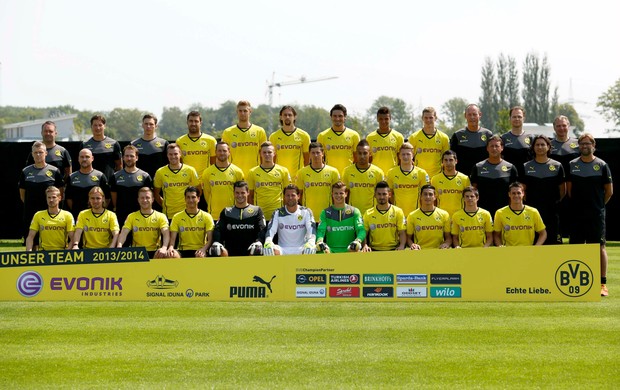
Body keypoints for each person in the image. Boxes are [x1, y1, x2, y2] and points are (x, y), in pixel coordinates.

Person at [566, 133, 613, 296]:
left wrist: (597, 206)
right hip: (577, 214)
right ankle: (577, 281)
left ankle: (602, 284)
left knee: (599, 248)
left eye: (588, 144)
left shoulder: (602, 165)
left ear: (593, 146)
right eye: (582, 144)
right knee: (576, 247)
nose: (585, 146)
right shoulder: (572, 164)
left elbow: (609, 192)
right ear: (578, 146)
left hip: (596, 214)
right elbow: (569, 191)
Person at [521, 135, 565, 245]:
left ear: (548, 147)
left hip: (552, 213)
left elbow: (563, 191)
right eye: (537, 145)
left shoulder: (557, 166)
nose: (540, 147)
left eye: (542, 144)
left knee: (553, 244)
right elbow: (523, 191)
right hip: (532, 213)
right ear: (533, 147)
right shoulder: (526, 166)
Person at [19, 141, 65, 243]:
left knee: (51, 240)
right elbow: (22, 194)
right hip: (30, 211)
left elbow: (60, 192)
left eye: (40, 152)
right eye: (35, 153)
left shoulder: (54, 171)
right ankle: (31, 257)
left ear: (46, 153)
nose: (38, 155)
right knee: (32, 239)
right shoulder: (25, 171)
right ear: (32, 154)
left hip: (49, 211)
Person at [210, 181, 266, 257]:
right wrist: (216, 242)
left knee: (258, 248)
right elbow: (218, 230)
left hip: (251, 252)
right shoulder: (226, 211)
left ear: (248, 192)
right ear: (233, 193)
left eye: (243, 193)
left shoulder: (257, 210)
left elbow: (262, 229)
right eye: (237, 193)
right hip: (230, 253)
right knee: (216, 248)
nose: (240, 195)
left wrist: (259, 241)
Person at [470, 135, 518, 216]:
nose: (494, 148)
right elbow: (473, 191)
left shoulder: (511, 168)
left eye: (497, 146)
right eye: (491, 146)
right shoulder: (478, 167)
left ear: (502, 148)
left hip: (504, 212)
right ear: (487, 148)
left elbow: (514, 192)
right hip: (483, 213)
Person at [116, 187, 170, 259]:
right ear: (138, 200)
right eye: (142, 198)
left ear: (153, 199)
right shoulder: (132, 216)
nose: (144, 200)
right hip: (137, 253)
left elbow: (166, 233)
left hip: (155, 253)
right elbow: (124, 233)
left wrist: (164, 247)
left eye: (147, 197)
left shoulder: (161, 216)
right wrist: (119, 245)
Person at [263, 184, 316, 255]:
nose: (290, 198)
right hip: (282, 249)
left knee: (311, 249)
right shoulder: (278, 212)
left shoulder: (306, 211)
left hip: (301, 248)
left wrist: (311, 242)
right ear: (284, 197)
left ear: (298, 196)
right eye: (287, 195)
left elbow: (311, 230)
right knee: (269, 250)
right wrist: (268, 241)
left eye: (293, 195)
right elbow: (271, 231)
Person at [110, 145, 153, 230]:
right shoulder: (115, 176)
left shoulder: (145, 176)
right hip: (121, 216)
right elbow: (114, 197)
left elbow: (149, 198)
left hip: (140, 216)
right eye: (126, 156)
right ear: (123, 157)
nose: (129, 158)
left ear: (136, 158)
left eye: (132, 156)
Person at [154, 143, 200, 221]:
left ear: (180, 154)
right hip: (169, 215)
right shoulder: (160, 172)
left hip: (187, 214)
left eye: (175, 154)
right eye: (170, 154)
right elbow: (156, 194)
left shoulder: (190, 170)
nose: (173, 156)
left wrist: (191, 204)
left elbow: (198, 191)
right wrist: (165, 205)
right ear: (167, 155)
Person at [295, 142, 340, 221]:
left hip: (327, 217)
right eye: (313, 153)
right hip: (308, 218)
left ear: (323, 153)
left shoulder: (333, 172)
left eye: (318, 153)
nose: (315, 155)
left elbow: (337, 195)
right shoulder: (302, 172)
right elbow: (299, 195)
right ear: (309, 154)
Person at [315, 182, 366, 253]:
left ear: (346, 194)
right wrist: (319, 241)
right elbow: (321, 231)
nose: (338, 195)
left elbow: (361, 230)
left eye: (341, 193)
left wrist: (358, 240)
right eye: (336, 193)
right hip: (330, 250)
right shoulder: (325, 213)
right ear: (332, 194)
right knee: (318, 252)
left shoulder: (354, 211)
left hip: (350, 249)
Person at [247, 141, 291, 222]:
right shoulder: (252, 172)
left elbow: (287, 195)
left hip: (278, 215)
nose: (267, 154)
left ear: (274, 153)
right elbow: (250, 196)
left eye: (269, 152)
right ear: (260, 154)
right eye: (264, 152)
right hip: (259, 216)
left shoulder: (283, 171)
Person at [221, 100, 267, 175]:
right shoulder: (228, 132)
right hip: (234, 174)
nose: (242, 113)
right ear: (237, 112)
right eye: (240, 111)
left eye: (245, 111)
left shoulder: (260, 131)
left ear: (250, 112)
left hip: (255, 174)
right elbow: (223, 155)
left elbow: (264, 155)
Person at [167, 186, 215, 258]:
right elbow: (172, 241)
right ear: (185, 199)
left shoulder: (206, 216)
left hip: (200, 249)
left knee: (200, 256)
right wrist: (170, 248)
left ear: (198, 199)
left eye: (193, 197)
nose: (190, 200)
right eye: (188, 197)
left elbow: (210, 239)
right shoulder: (177, 217)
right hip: (183, 250)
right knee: (171, 255)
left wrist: (204, 249)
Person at [493, 182, 546, 247]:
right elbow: (496, 235)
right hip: (508, 252)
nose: (516, 196)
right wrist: (500, 245)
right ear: (509, 194)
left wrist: (536, 246)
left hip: (528, 251)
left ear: (523, 194)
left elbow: (543, 233)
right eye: (513, 193)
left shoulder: (533, 212)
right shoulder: (500, 213)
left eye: (519, 193)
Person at [200, 141, 244, 218]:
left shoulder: (238, 172)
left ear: (229, 152)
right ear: (215, 152)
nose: (222, 153)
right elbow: (207, 194)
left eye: (224, 151)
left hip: (233, 215)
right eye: (219, 151)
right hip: (214, 215)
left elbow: (241, 194)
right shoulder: (207, 172)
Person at [65, 148, 110, 221]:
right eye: (82, 157)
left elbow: (107, 198)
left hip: (96, 217)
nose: (84, 159)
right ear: (78, 159)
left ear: (92, 158)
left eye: (87, 157)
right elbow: (68, 199)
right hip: (77, 217)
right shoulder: (72, 177)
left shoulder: (100, 176)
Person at [342, 139, 385, 215]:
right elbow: (345, 195)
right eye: (359, 153)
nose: (362, 156)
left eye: (365, 153)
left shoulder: (378, 172)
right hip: (353, 214)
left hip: (372, 214)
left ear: (370, 154)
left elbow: (382, 196)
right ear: (356, 154)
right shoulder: (347, 171)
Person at [25, 186, 75, 251]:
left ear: (59, 198)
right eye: (49, 197)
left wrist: (67, 251)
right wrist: (29, 251)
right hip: (44, 252)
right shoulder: (38, 215)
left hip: (61, 251)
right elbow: (30, 237)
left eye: (54, 197)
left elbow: (73, 237)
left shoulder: (67, 215)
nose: (51, 200)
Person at [386, 142, 430, 216]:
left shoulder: (421, 173)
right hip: (398, 215)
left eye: (408, 154)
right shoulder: (391, 173)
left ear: (412, 155)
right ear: (399, 156)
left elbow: (426, 195)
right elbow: (390, 194)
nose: (405, 157)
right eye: (403, 154)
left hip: (416, 214)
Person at [361, 181, 407, 251]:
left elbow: (402, 232)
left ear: (389, 194)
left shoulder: (398, 211)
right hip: (374, 249)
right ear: (375, 195)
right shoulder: (368, 213)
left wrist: (402, 245)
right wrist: (365, 245)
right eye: (379, 194)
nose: (381, 197)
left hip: (393, 249)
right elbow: (364, 233)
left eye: (384, 194)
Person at [449, 104, 493, 175]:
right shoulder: (457, 135)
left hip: (484, 175)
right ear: (465, 116)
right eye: (469, 114)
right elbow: (451, 158)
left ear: (480, 115)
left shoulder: (488, 134)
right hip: (462, 177)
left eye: (474, 114)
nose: (472, 117)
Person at [317, 104, 361, 175]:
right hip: (329, 175)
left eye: (340, 116)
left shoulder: (354, 135)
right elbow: (319, 159)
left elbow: (357, 158)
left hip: (348, 175)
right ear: (331, 117)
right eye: (335, 116)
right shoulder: (322, 136)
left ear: (345, 117)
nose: (337, 119)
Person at [269, 105, 310, 178]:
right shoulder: (273, 137)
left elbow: (307, 160)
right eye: (285, 115)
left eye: (290, 115)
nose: (287, 117)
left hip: (297, 179)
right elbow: (272, 160)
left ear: (295, 117)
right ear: (281, 117)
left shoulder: (304, 136)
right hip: (279, 178)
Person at [408, 107, 450, 177]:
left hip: (437, 176)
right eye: (426, 118)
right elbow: (408, 158)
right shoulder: (414, 137)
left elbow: (446, 159)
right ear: (422, 118)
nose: (428, 120)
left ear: (435, 118)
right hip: (419, 176)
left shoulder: (444, 138)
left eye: (431, 118)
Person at [406, 184, 451, 250]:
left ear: (435, 197)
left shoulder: (444, 214)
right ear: (420, 196)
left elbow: (448, 238)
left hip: (439, 251)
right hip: (420, 251)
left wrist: (446, 244)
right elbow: (408, 238)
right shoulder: (412, 215)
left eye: (430, 194)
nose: (428, 197)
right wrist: (412, 244)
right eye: (425, 194)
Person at [176, 110, 217, 178]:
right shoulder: (180, 141)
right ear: (187, 122)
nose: (193, 123)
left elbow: (214, 164)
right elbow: (179, 164)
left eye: (196, 121)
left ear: (200, 123)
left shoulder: (210, 140)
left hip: (204, 180)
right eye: (191, 121)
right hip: (187, 181)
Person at [81, 114, 122, 181]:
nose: (97, 128)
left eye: (100, 125)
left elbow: (119, 166)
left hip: (109, 184)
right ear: (91, 126)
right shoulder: (84, 145)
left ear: (104, 126)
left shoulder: (114, 144)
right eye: (95, 125)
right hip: (90, 183)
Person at [431, 150, 471, 217]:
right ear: (442, 162)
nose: (448, 163)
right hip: (441, 217)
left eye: (451, 160)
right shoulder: (435, 179)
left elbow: (469, 200)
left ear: (456, 161)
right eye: (446, 160)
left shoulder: (464, 179)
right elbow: (433, 201)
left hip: (460, 216)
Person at [365, 106, 404, 175]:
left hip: (392, 175)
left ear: (390, 119)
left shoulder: (398, 137)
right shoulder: (370, 137)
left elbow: (401, 159)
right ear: (377, 119)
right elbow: (368, 159)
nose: (383, 121)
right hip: (375, 174)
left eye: (386, 119)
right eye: (381, 119)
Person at [131, 114, 170, 180]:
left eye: (151, 124)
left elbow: (169, 165)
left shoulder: (164, 144)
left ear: (156, 126)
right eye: (146, 124)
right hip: (140, 181)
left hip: (160, 181)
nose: (148, 126)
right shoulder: (133, 144)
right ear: (142, 125)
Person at [500, 106, 535, 178]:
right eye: (514, 117)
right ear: (510, 118)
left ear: (524, 118)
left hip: (527, 178)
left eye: (519, 117)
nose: (517, 119)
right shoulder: (503, 138)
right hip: (508, 177)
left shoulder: (531, 138)